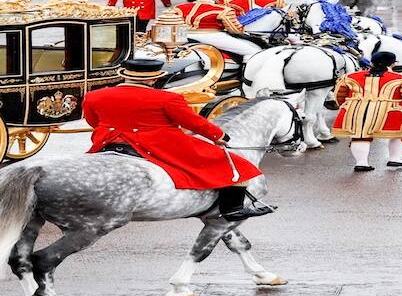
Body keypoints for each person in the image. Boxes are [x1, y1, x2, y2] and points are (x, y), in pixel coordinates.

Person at [82, 57, 269, 221]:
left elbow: (94, 121)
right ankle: (232, 209)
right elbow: (194, 123)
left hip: (107, 142)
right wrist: (219, 136)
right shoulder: (167, 98)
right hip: (156, 144)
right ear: (154, 78)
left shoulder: (94, 96)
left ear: (124, 75)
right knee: (236, 165)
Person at [331, 51, 402, 171]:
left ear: (371, 62)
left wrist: (345, 106)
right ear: (392, 64)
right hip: (390, 112)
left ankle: (361, 163)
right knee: (399, 134)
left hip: (357, 110)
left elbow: (339, 94)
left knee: (359, 136)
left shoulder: (350, 77)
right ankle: (394, 159)